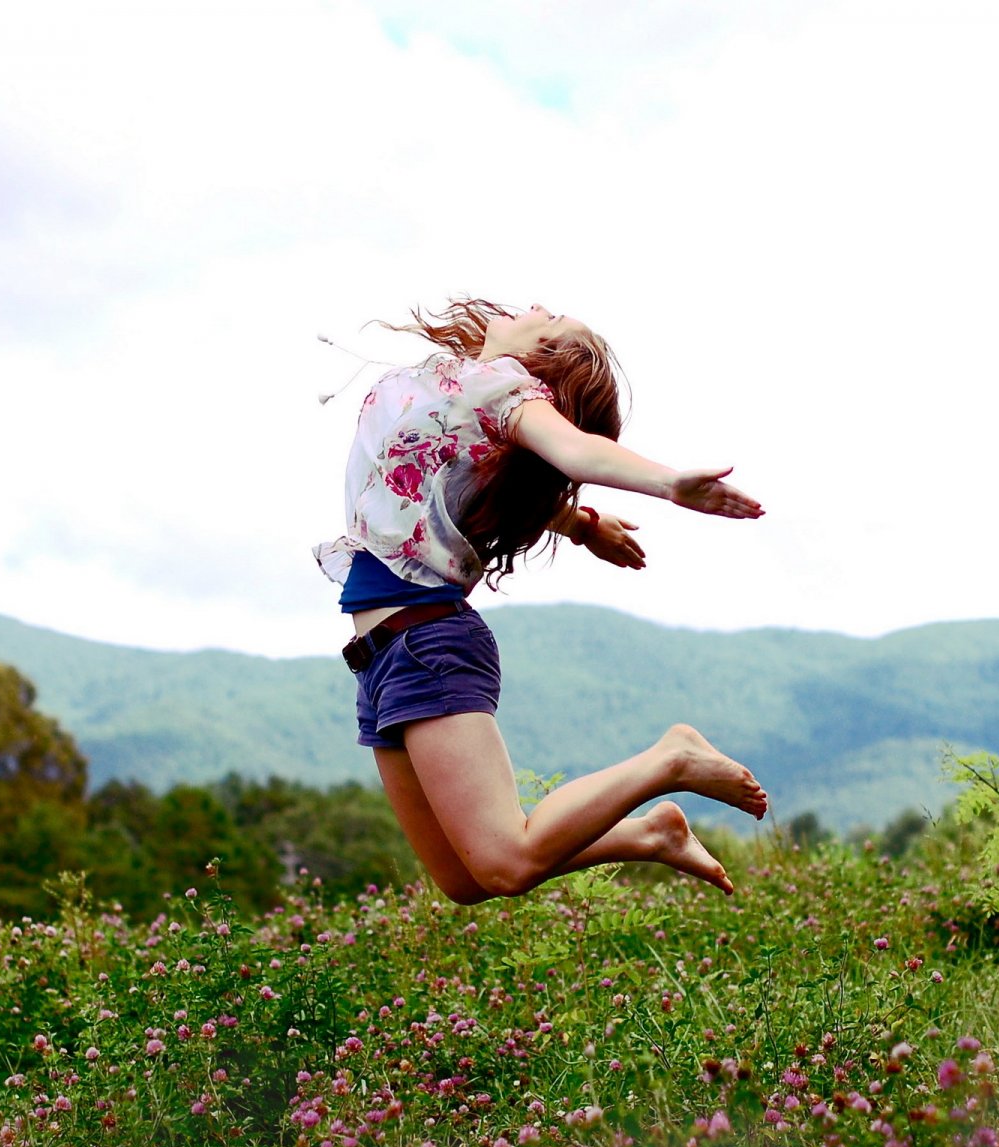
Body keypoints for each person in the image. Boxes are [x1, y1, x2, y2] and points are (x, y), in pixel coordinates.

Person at [313, 298, 769, 904]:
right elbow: (461, 482)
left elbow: (575, 451)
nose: (535, 307)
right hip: (379, 659)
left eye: (552, 321)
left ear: (539, 363)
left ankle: (671, 759)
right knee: (464, 880)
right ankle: (651, 835)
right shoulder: (455, 388)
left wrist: (668, 484)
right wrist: (581, 525)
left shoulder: (509, 391)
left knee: (507, 863)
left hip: (426, 646)